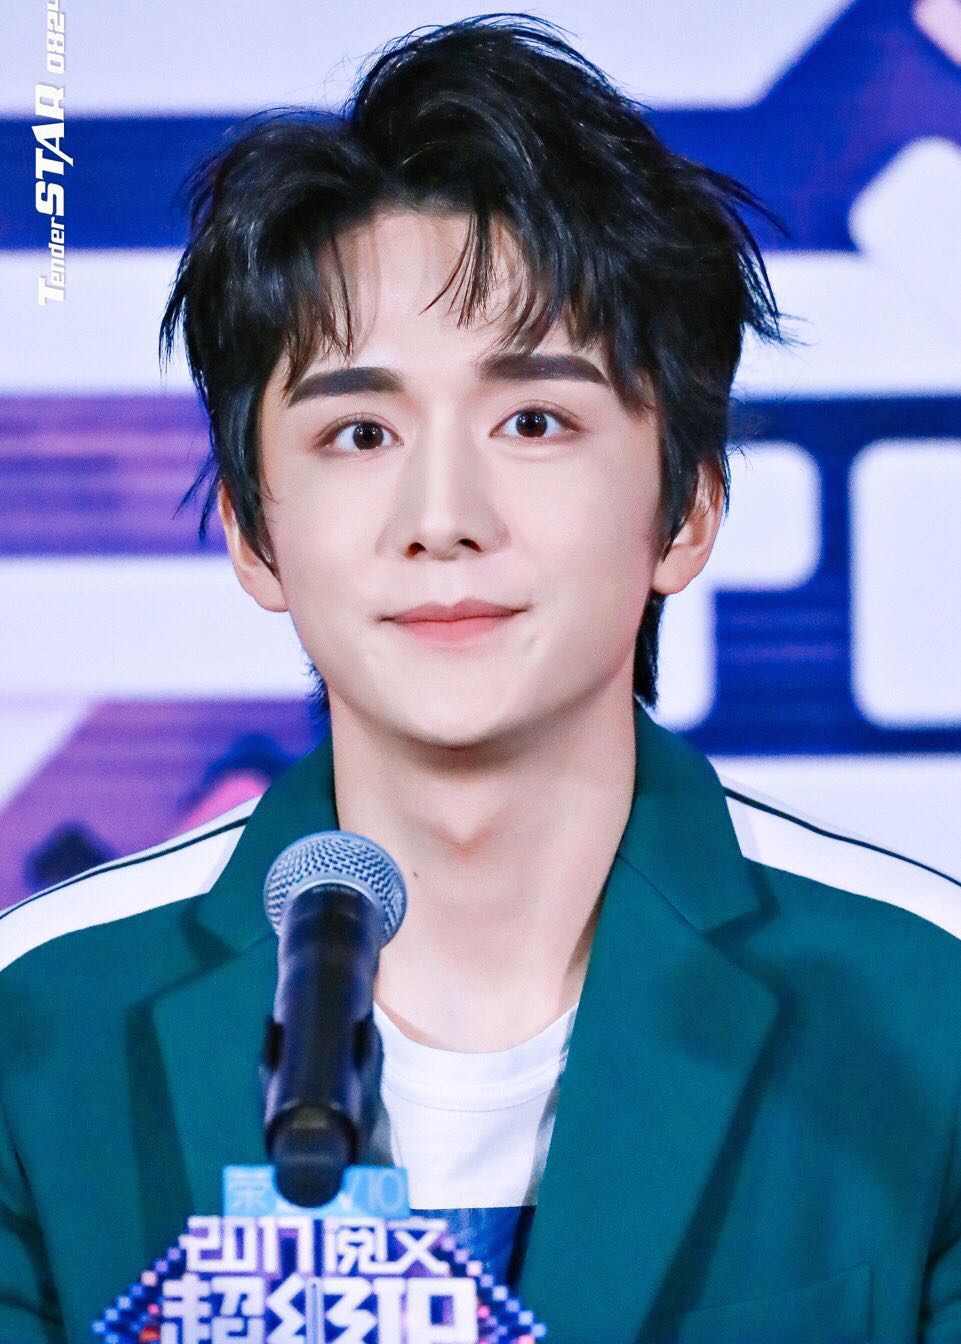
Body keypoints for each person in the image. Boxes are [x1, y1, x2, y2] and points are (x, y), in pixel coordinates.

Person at [1, 15, 960, 1342]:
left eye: (534, 420)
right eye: (359, 432)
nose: (442, 516)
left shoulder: (923, 1010)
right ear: (253, 534)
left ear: (687, 511)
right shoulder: (38, 1026)